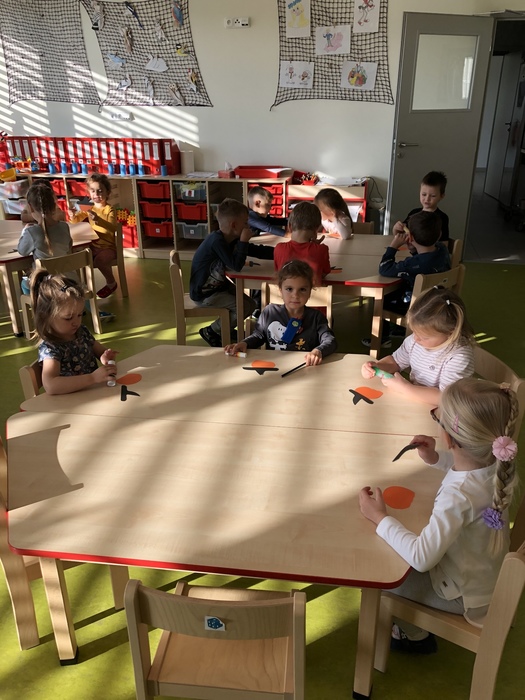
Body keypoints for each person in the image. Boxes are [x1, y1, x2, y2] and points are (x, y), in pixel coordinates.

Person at [359, 378, 519, 652]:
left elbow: (422, 558)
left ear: (448, 437)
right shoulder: (497, 463)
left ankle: (415, 637)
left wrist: (380, 518)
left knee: (380, 574)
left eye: (436, 416)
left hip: (463, 597)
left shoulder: (458, 496)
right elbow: (467, 470)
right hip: (483, 580)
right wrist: (436, 458)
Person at [361, 287, 474, 404]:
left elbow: (445, 398)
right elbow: (395, 362)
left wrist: (404, 388)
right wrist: (377, 367)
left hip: (441, 410)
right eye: (414, 331)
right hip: (416, 402)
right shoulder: (415, 341)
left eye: (424, 337)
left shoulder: (458, 356)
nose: (415, 338)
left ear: (450, 333)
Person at [189, 198, 274, 347]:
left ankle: (226, 328)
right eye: (245, 223)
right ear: (234, 225)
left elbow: (255, 250)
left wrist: (281, 252)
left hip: (218, 287)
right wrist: (243, 242)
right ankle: (212, 330)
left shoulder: (230, 239)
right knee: (242, 308)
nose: (248, 226)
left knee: (251, 304)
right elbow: (236, 265)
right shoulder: (217, 241)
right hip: (205, 294)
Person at [362, 209, 450, 348]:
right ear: (439, 234)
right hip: (437, 300)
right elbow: (425, 256)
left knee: (384, 296)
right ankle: (399, 330)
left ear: (411, 236)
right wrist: (414, 247)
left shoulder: (412, 265)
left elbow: (385, 268)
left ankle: (383, 338)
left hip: (417, 306)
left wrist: (393, 246)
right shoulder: (442, 250)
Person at [225, 259, 336, 365]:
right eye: (289, 289)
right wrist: (244, 343)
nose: (295, 295)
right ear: (280, 290)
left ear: (310, 291)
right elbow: (258, 336)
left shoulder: (316, 317)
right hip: (275, 366)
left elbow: (330, 341)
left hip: (304, 366)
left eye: (302, 289)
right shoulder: (269, 312)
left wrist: (318, 351)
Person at [30, 269, 118, 395]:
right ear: (46, 316)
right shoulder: (51, 348)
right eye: (68, 318)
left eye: (80, 315)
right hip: (70, 402)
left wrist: (106, 358)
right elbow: (51, 385)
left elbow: (100, 352)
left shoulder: (82, 332)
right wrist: (92, 378)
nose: (76, 322)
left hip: (92, 394)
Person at [18, 182, 73, 295]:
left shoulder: (32, 232)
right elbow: (69, 247)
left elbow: (22, 251)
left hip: (47, 284)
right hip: (69, 281)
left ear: (31, 207)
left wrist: (24, 232)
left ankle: (38, 305)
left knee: (24, 283)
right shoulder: (64, 227)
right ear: (53, 205)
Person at [69, 172, 118, 299]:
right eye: (93, 191)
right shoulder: (89, 208)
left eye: (100, 191)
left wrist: (98, 220)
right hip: (93, 245)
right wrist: (72, 215)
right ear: (89, 193)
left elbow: (112, 228)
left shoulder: (110, 209)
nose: (96, 194)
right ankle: (83, 287)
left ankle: (111, 283)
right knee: (79, 257)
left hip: (108, 248)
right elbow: (75, 221)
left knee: (99, 261)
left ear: (108, 192)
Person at [273, 201, 331, 286]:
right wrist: (316, 246)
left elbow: (278, 272)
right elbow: (324, 273)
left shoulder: (279, 249)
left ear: (289, 226)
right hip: (311, 294)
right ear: (317, 229)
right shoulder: (321, 250)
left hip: (286, 294)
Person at [392, 171, 449, 242]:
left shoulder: (442, 217)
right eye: (424, 194)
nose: (427, 199)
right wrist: (396, 229)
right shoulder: (414, 213)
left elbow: (444, 243)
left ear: (441, 196)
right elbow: (401, 236)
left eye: (433, 196)